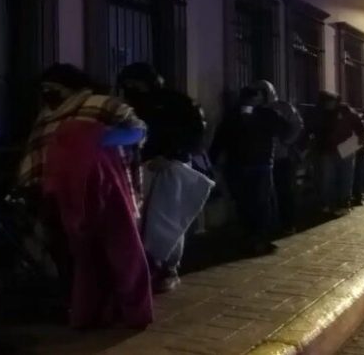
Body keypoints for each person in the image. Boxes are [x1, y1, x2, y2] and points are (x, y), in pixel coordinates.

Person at [18, 63, 152, 329]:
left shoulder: (101, 104)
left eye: (52, 88)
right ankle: (85, 309)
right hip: (58, 195)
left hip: (103, 192)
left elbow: (138, 131)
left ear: (69, 85)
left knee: (116, 252)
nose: (48, 94)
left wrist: (98, 139)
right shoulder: (47, 114)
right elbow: (38, 151)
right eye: (44, 90)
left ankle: (121, 310)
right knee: (73, 256)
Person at [118, 63, 210, 293]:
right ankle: (147, 267)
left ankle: (169, 268)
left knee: (167, 219)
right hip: (141, 167)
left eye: (135, 83)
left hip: (170, 168)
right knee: (142, 219)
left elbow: (195, 134)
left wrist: (171, 156)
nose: (131, 88)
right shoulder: (128, 105)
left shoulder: (177, 103)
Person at [211, 86, 288, 255]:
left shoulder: (233, 116)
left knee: (246, 202)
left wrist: (213, 161)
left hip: (241, 165)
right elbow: (285, 130)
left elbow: (219, 140)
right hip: (257, 165)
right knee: (259, 203)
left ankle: (252, 236)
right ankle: (258, 237)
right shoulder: (266, 115)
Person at [251, 80, 304, 233]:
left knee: (285, 190)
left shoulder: (283, 107)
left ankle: (288, 223)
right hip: (261, 158)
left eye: (262, 92)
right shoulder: (253, 109)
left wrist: (286, 141)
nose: (259, 95)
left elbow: (297, 125)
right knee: (265, 194)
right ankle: (270, 223)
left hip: (282, 157)